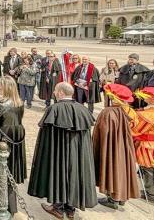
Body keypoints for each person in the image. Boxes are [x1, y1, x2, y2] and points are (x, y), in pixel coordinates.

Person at [28, 82, 97, 219]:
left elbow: (46, 137)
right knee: (74, 175)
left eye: (55, 91)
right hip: (77, 154)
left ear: (60, 93)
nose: (54, 93)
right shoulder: (83, 110)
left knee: (59, 174)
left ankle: (58, 207)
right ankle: (70, 208)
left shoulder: (54, 109)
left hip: (58, 153)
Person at [92, 84, 140, 209]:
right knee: (122, 168)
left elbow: (101, 132)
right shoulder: (128, 111)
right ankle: (121, 197)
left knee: (112, 168)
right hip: (124, 146)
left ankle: (113, 199)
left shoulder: (107, 112)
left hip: (111, 146)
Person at [0, 76, 26, 215]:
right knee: (11, 171)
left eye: (0, 86)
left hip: (3, 138)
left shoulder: (1, 104)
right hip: (17, 137)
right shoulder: (19, 103)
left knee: (2, 171)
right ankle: (11, 206)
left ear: (6, 87)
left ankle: (4, 207)